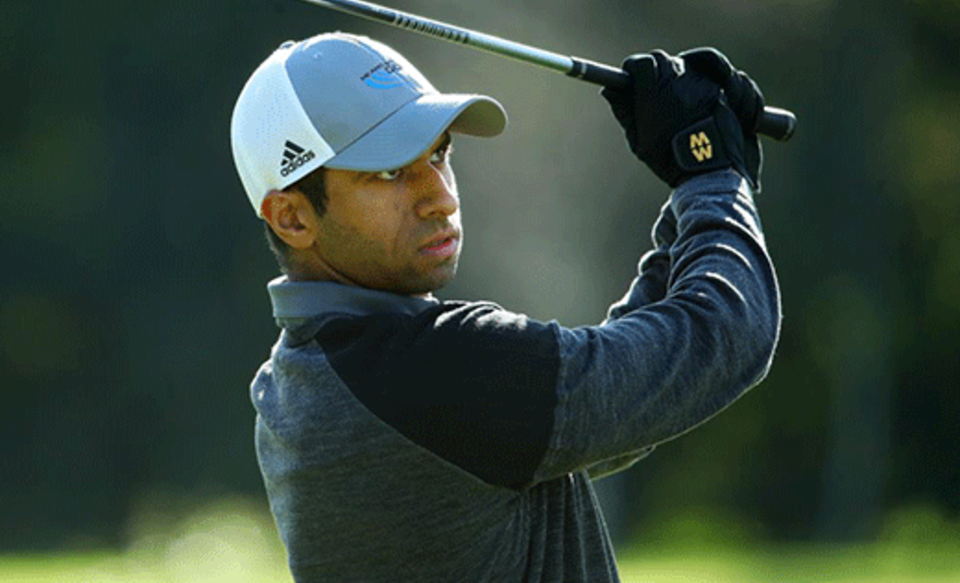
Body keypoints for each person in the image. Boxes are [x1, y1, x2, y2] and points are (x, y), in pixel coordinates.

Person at [229, 31, 781, 582]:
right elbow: (728, 330)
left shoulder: (296, 380)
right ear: (292, 218)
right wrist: (711, 174)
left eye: (438, 153)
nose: (439, 195)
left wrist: (689, 192)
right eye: (389, 172)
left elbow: (614, 406)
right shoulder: (433, 371)